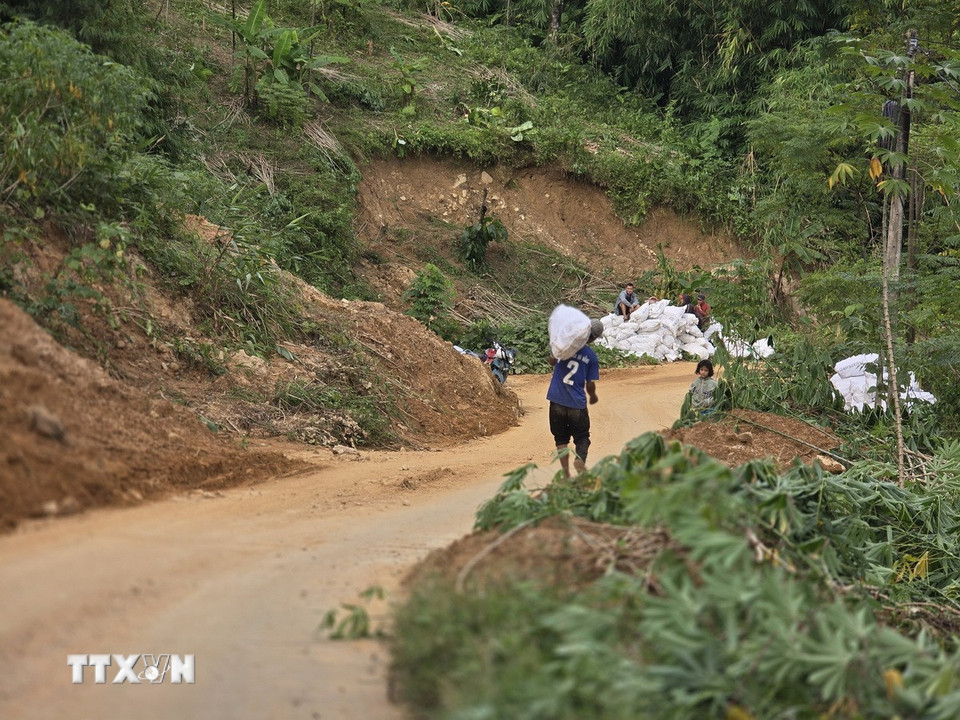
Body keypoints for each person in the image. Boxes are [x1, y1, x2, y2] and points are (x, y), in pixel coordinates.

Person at [547, 318, 602, 477]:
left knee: (560, 439)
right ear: (593, 338)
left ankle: (566, 474)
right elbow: (590, 384)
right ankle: (580, 460)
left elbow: (552, 361)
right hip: (576, 404)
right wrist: (593, 396)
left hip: (556, 400)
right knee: (582, 437)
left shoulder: (565, 346)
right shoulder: (591, 356)